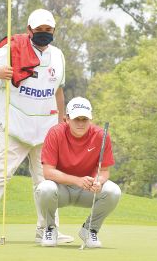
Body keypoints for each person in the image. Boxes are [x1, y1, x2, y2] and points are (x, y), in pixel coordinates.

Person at [0, 8, 74, 244]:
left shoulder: (58, 56)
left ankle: (47, 230)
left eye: (48, 30)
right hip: (14, 124)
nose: (44, 34)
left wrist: (62, 119)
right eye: (39, 30)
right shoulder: (12, 49)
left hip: (45, 128)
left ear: (54, 31)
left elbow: (59, 91)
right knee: (1, 175)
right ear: (29, 30)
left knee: (45, 181)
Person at [35, 97, 122, 248]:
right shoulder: (55, 133)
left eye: (84, 119)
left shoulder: (101, 136)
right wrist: (77, 180)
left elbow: (104, 172)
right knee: (45, 188)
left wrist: (98, 181)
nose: (81, 123)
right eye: (76, 119)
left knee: (113, 191)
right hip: (60, 190)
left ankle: (90, 229)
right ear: (66, 119)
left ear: (91, 119)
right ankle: (50, 228)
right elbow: (48, 172)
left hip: (87, 190)